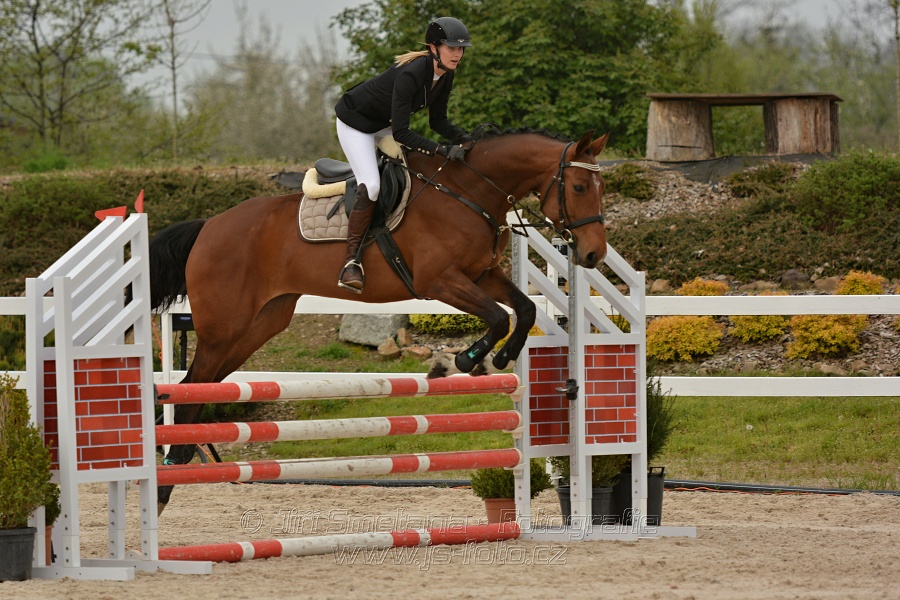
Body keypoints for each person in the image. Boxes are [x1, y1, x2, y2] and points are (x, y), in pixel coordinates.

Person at [334, 16, 473, 293]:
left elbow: (438, 123)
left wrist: (466, 139)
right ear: (434, 48)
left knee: (416, 170)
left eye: (461, 49)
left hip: (383, 126)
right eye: (451, 48)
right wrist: (442, 149)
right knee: (371, 184)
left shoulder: (445, 75)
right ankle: (351, 262)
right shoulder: (411, 75)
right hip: (356, 124)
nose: (457, 54)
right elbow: (402, 134)